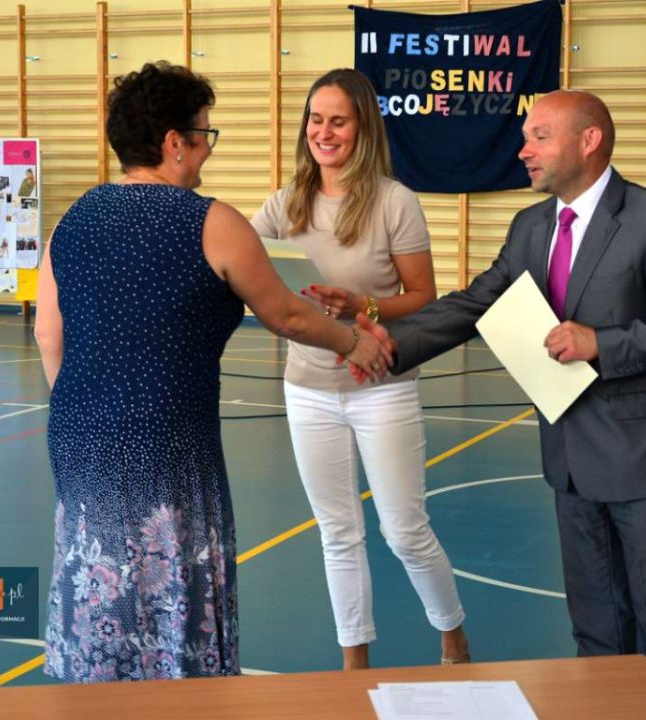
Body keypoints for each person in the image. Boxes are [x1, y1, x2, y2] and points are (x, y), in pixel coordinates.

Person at [357, 90, 646, 695]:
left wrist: (602, 343)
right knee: (596, 624)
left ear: (589, 140)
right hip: (571, 461)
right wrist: (388, 345)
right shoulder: (530, 226)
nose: (523, 150)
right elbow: (476, 302)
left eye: (539, 137)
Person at [34, 61, 388, 684]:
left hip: (79, 432)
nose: (207, 147)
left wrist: (87, 411)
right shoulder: (211, 222)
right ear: (175, 143)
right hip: (169, 439)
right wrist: (354, 342)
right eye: (204, 133)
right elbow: (285, 314)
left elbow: (48, 334)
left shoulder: (72, 220)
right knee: (173, 575)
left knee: (96, 571)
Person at [250, 68, 469, 670]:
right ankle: (354, 663)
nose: (324, 132)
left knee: (405, 531)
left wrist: (364, 307)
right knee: (337, 532)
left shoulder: (395, 202)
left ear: (363, 128)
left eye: (338, 121)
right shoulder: (284, 204)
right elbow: (243, 268)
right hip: (308, 391)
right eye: (316, 120)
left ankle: (453, 636)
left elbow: (422, 296)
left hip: (381, 388)